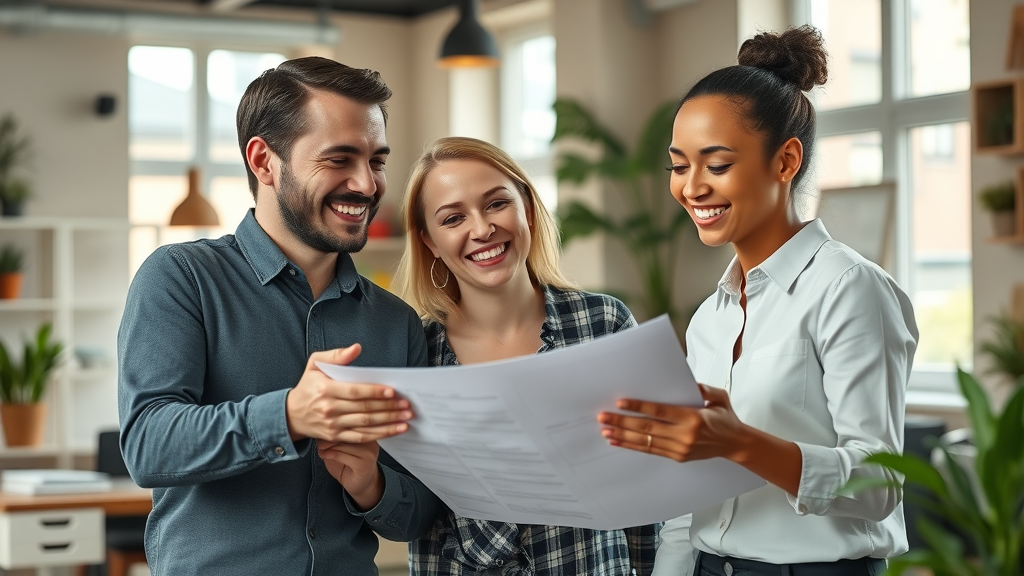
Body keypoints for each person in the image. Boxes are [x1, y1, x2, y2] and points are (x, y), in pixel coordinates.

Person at [597, 25, 918, 576]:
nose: (691, 187)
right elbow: (687, 495)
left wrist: (741, 443)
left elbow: (879, 484)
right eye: (679, 166)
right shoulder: (708, 319)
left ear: (786, 161)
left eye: (716, 164)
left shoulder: (849, 290)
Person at [117, 56, 439, 576]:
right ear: (264, 161)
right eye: (339, 159)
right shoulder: (181, 278)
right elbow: (148, 445)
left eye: (377, 161)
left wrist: (372, 485)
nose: (366, 184)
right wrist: (289, 415)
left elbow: (421, 512)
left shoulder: (397, 324)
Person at [391, 136, 659, 576]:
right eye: (454, 217)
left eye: (496, 204)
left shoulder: (604, 324)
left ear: (527, 208)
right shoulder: (417, 354)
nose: (481, 229)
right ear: (430, 242)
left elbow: (651, 489)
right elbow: (418, 512)